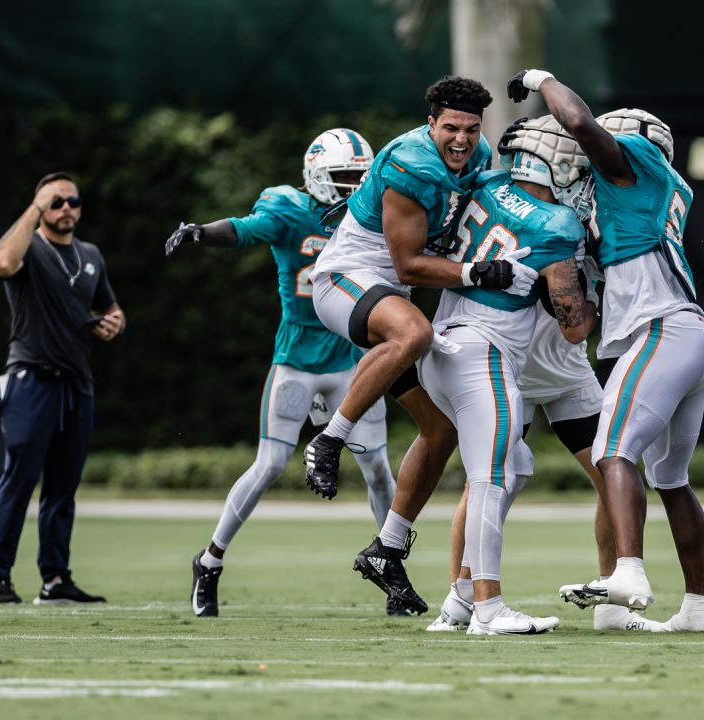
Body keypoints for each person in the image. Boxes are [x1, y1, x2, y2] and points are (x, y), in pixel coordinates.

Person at [306, 76, 535, 615]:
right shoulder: (411, 162)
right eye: (450, 127)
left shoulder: (477, 153)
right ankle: (330, 438)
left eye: (471, 129)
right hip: (347, 279)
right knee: (415, 333)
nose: (461, 139)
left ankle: (387, 546)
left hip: (389, 294)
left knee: (442, 430)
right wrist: (479, 271)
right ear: (430, 123)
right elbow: (409, 265)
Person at [510, 70, 704, 631]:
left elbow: (578, 122)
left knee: (611, 451)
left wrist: (542, 79)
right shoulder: (660, 194)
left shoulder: (634, 166)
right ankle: (697, 607)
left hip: (661, 334)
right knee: (672, 479)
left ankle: (627, 571)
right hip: (691, 335)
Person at [165, 128, 399, 618]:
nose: (356, 187)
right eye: (343, 177)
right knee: (270, 465)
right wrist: (203, 231)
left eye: (362, 176)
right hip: (296, 359)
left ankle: (392, 565)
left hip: (351, 361)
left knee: (377, 468)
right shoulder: (290, 209)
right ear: (315, 176)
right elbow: (246, 228)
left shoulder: (372, 212)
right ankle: (209, 561)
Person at [417, 121, 594, 634]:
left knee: (511, 469)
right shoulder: (558, 223)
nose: (582, 180)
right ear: (556, 165)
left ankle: (457, 603)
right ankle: (489, 609)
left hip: (441, 345)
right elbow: (573, 328)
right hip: (484, 352)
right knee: (490, 479)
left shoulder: (489, 185)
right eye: (576, 168)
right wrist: (589, 292)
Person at [0, 171, 124, 605]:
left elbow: (110, 306)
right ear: (42, 207)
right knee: (19, 480)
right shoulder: (30, 248)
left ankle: (55, 579)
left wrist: (115, 322)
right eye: (56, 202)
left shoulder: (90, 255)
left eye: (72, 201)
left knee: (63, 487)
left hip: (77, 382)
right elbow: (2, 263)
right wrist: (34, 207)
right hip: (31, 378)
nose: (66, 209)